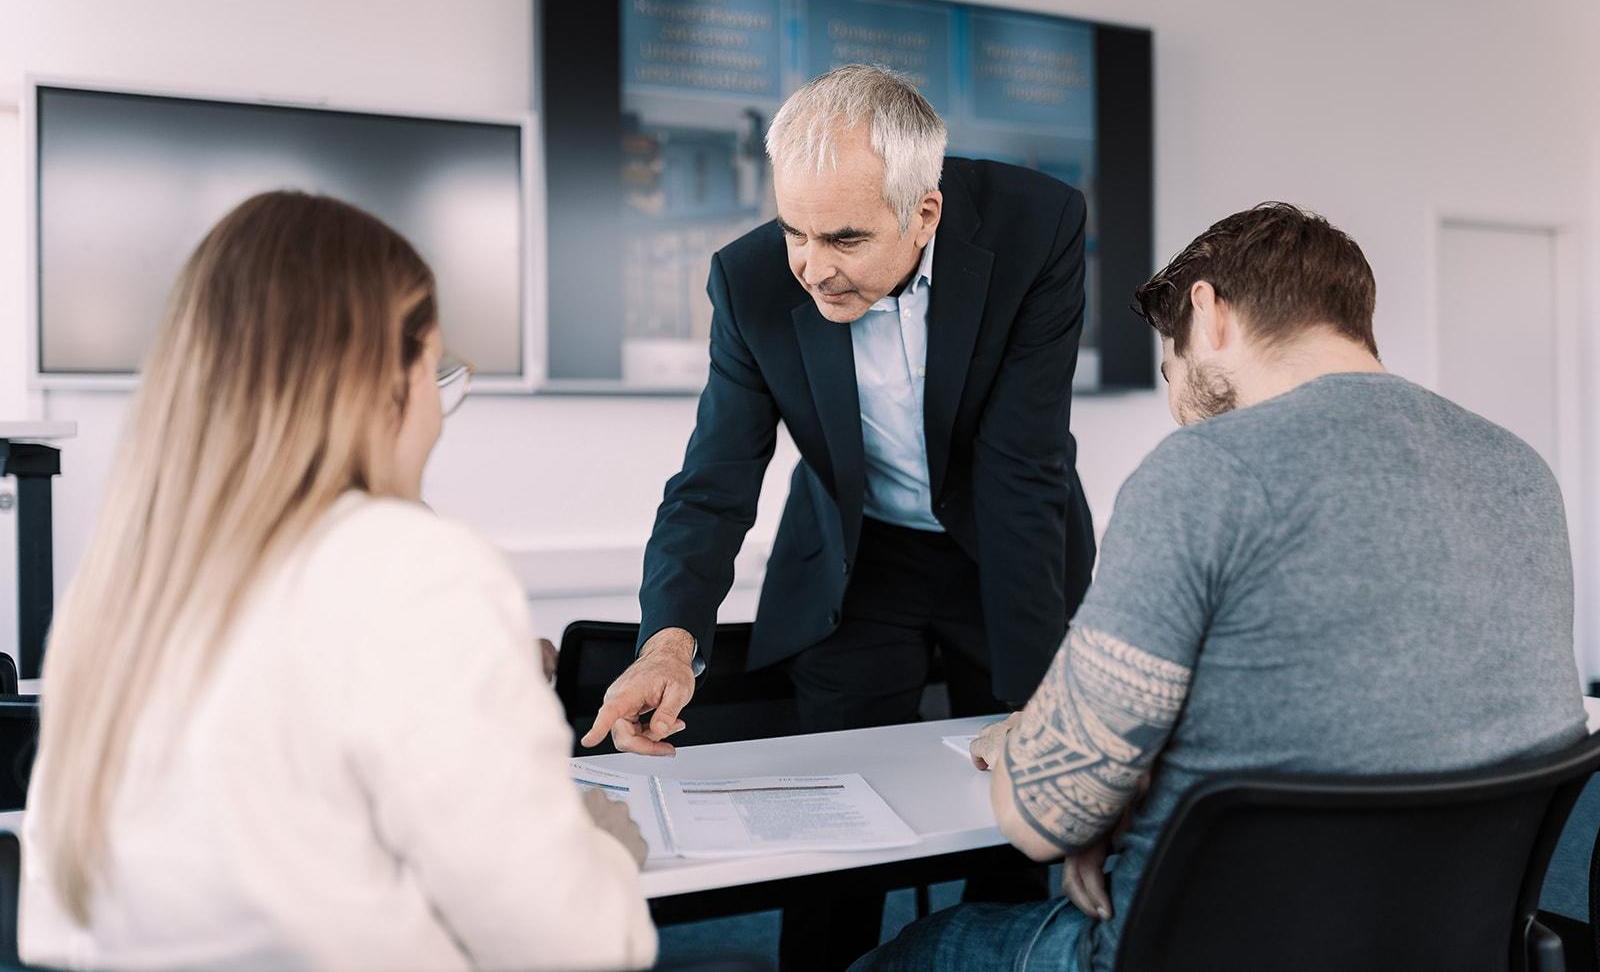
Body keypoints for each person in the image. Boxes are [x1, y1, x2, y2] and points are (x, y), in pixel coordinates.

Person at [853, 202, 1589, 971]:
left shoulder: (1208, 469)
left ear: (1208, 312)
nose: (1178, 408)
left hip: (1198, 947)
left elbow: (1044, 819)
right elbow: (1397, 716)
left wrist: (1038, 753)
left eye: (1171, 371)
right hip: (1447, 944)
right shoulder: (1519, 471)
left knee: (904, 954)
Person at [19, 192, 657, 971]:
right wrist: (610, 859)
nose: (438, 413)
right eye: (436, 370)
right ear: (379, 380)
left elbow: (54, 924)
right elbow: (571, 944)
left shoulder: (116, 585)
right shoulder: (411, 566)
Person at [584, 63, 1097, 966]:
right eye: (795, 231)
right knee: (826, 820)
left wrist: (1032, 700)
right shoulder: (748, 282)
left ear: (924, 213)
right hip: (857, 563)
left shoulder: (1036, 227)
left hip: (1010, 547)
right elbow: (714, 480)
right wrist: (667, 640)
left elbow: (1023, 469)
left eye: (847, 238)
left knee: (1013, 821)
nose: (813, 268)